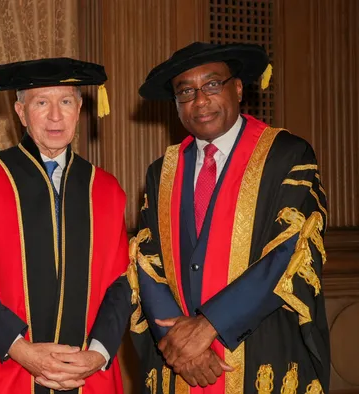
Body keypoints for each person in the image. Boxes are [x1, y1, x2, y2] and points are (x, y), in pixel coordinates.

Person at [128, 42, 330, 394]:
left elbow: (290, 252)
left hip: (260, 350)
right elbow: (146, 261)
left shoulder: (286, 155)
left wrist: (208, 325)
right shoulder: (162, 171)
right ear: (176, 104)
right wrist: (178, 342)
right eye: (185, 91)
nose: (200, 100)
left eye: (212, 84)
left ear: (237, 88)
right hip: (180, 365)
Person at [0, 57, 132, 394]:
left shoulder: (106, 189)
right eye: (42, 102)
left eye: (66, 101)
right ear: (21, 113)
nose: (56, 115)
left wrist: (98, 354)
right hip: (5, 367)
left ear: (79, 108)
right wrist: (20, 349)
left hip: (85, 374)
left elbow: (122, 283)